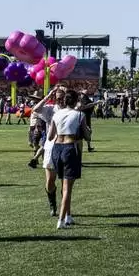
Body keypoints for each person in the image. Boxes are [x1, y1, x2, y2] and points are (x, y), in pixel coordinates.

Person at [47, 89, 91, 229]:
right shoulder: (79, 115)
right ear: (76, 100)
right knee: (67, 189)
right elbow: (87, 136)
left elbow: (50, 136)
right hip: (70, 148)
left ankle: (68, 216)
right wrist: (87, 131)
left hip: (56, 149)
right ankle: (61, 221)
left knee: (62, 185)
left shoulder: (57, 114)